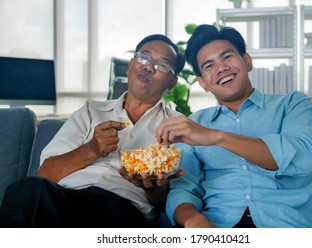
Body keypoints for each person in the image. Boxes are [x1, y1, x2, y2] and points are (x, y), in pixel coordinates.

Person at [0, 34, 185, 228]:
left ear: (172, 82)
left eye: (162, 65)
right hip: (63, 199)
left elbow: (174, 201)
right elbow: (45, 173)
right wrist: (91, 149)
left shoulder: (178, 126)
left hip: (122, 208)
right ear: (131, 65)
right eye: (144, 58)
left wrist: (154, 189)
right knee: (28, 189)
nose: (148, 67)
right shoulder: (91, 110)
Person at [156, 24, 312, 228]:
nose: (221, 68)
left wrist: (215, 137)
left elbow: (298, 159)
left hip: (289, 225)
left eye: (227, 57)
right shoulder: (194, 123)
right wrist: (193, 220)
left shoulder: (293, 104)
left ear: (247, 61)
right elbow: (184, 188)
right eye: (209, 66)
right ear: (202, 82)